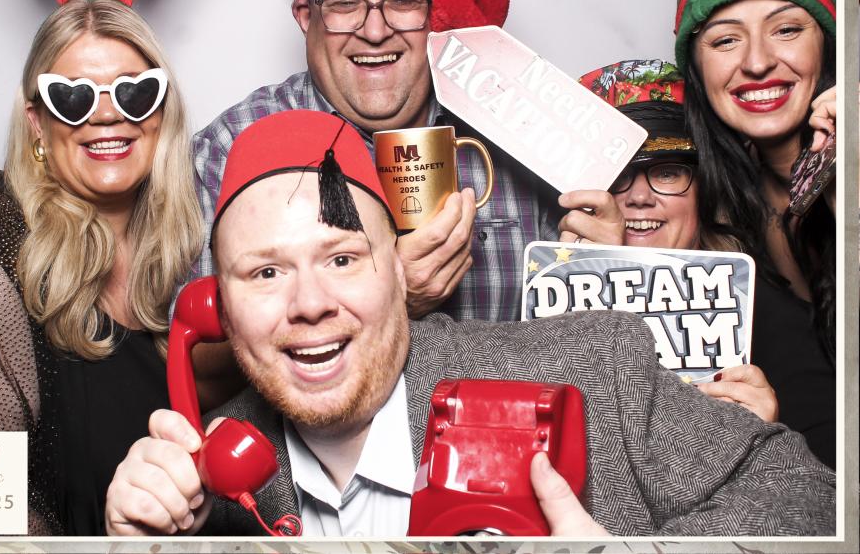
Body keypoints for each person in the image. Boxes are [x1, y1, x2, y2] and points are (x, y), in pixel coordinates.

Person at [105, 110, 834, 538]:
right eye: (265, 273)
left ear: (400, 271)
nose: (309, 303)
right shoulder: (213, 488)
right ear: (218, 309)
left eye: (343, 258)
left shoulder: (595, 364)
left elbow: (810, 497)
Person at [189, 0, 555, 411]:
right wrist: (391, 296)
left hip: (499, 437)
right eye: (345, 5)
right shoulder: (232, 147)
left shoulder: (521, 132)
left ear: (437, 16)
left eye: (403, 2)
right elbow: (197, 373)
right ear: (306, 17)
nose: (376, 31)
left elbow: (574, 349)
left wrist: (604, 261)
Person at [0, 0, 203, 535]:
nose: (107, 115)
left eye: (134, 92)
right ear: (36, 122)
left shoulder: (182, 249)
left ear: (161, 112)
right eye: (72, 97)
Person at [562, 58, 833, 468]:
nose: (639, 198)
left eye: (668, 173)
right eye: (616, 174)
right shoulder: (545, 310)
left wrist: (765, 445)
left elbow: (833, 489)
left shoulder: (770, 318)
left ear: (703, 192)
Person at [672, 0, 838, 391]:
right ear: (698, 72)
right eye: (726, 40)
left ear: (827, 45)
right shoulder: (709, 217)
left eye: (786, 30)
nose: (758, 62)